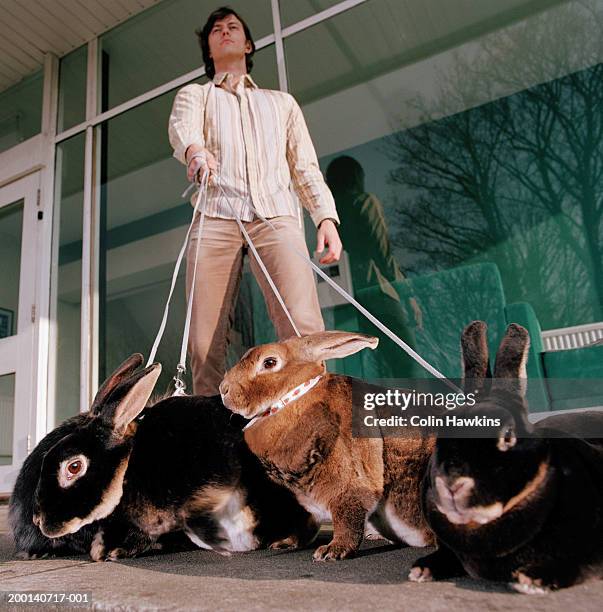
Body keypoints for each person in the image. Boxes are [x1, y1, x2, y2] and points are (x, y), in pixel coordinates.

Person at [168, 6, 342, 396]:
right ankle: (212, 435)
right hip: (215, 215)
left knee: (303, 328)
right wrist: (195, 151)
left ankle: (313, 414)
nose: (224, 32)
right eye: (216, 30)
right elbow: (183, 127)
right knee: (201, 344)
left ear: (247, 44)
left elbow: (304, 166)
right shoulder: (196, 95)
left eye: (233, 27)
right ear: (209, 49)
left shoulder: (280, 104)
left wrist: (325, 218)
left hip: (275, 215)